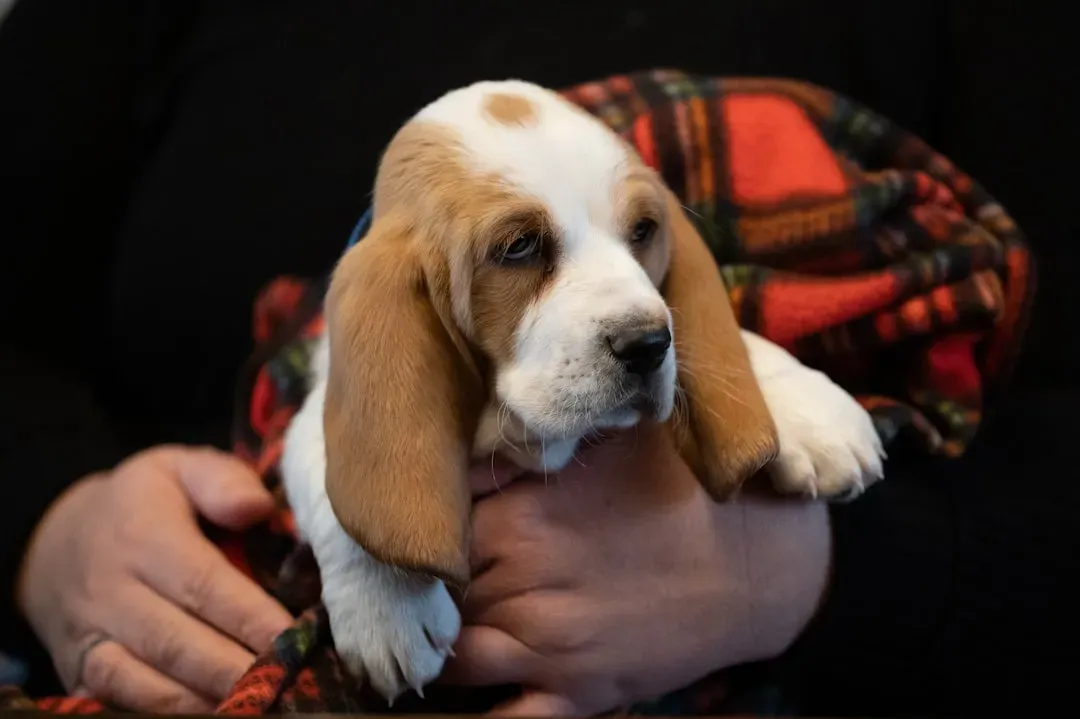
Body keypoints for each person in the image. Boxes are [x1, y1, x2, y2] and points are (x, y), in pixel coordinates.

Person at [2, 1, 1076, 717]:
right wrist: (45, 518)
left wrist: (811, 565)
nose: (640, 313)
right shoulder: (380, 294)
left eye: (639, 233)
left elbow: (678, 308)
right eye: (521, 248)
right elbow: (331, 419)